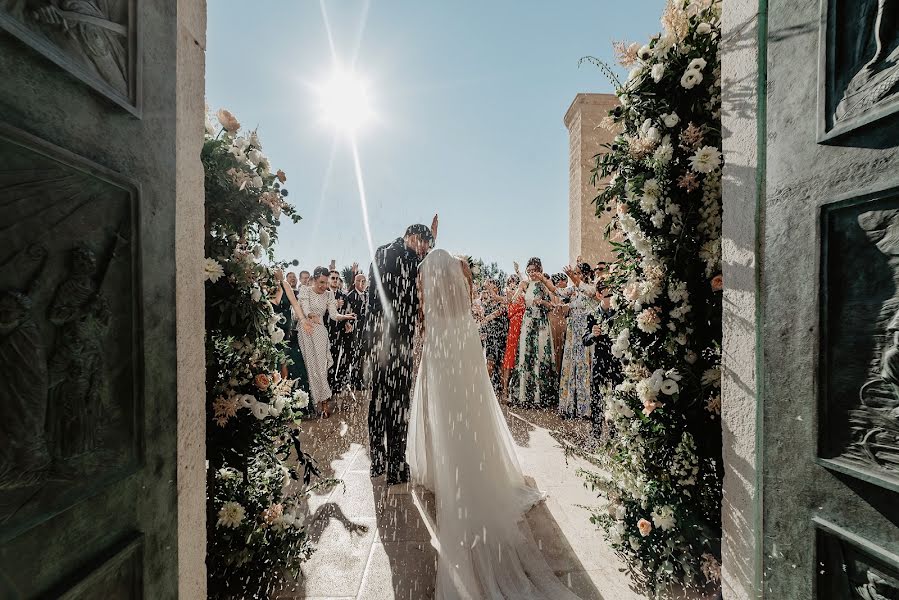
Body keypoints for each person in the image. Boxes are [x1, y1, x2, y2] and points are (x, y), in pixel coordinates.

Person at [406, 249, 582, 600]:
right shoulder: (464, 315)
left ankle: (451, 470)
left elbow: (423, 321)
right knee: (469, 419)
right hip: (460, 366)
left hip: (440, 361)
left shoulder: (434, 311)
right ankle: (472, 464)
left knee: (443, 419)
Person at [366, 215, 437, 486]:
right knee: (396, 402)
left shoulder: (384, 252)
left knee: (381, 400)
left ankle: (379, 460)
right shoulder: (404, 257)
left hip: (381, 340)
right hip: (395, 341)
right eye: (425, 246)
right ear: (414, 238)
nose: (425, 252)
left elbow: (371, 298)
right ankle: (395, 463)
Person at [298, 267, 356, 418]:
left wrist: (346, 316)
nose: (324, 286)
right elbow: (304, 308)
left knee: (322, 368)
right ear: (314, 279)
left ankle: (324, 403)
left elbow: (333, 314)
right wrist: (311, 315)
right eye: (321, 282)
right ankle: (310, 403)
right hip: (306, 330)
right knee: (310, 366)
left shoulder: (329, 294)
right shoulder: (305, 290)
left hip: (320, 333)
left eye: (326, 282)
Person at [510, 258, 558, 408]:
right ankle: (524, 396)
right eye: (529, 270)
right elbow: (513, 300)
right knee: (526, 355)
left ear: (539, 270)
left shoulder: (544, 284)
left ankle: (540, 397)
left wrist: (542, 302)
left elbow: (554, 304)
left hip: (542, 324)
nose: (531, 273)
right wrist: (519, 288)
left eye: (533, 270)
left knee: (540, 356)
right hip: (528, 323)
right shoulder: (525, 284)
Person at [558, 263, 598, 419]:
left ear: (586, 274)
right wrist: (542, 280)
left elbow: (586, 291)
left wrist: (573, 277)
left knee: (583, 367)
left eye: (578, 273)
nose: (575, 275)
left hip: (585, 333)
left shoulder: (591, 288)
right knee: (571, 365)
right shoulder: (573, 290)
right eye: (575, 273)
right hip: (572, 332)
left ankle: (584, 408)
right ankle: (569, 406)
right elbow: (558, 291)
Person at [583, 285, 621, 437]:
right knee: (597, 399)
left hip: (616, 362)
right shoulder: (592, 314)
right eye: (608, 295)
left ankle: (615, 434)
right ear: (599, 295)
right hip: (599, 361)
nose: (612, 298)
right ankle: (596, 434)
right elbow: (585, 340)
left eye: (613, 294)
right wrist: (593, 335)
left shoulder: (619, 313)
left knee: (617, 398)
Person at [272, 270, 310, 394]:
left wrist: (303, 320)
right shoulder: (266, 286)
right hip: (271, 328)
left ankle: (286, 393)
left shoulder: (285, 285)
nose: (278, 272)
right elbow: (275, 302)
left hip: (286, 330)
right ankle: (274, 392)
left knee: (286, 361)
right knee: (274, 361)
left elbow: (295, 304)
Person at [479, 278, 508, 389]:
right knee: (490, 364)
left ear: (498, 288)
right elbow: (483, 319)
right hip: (491, 336)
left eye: (494, 287)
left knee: (501, 365)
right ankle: (484, 389)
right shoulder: (487, 303)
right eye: (491, 287)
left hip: (502, 336)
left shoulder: (504, 300)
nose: (492, 290)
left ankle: (502, 390)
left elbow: (499, 312)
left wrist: (487, 318)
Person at [501, 271, 524, 402]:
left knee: (520, 357)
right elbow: (510, 299)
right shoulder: (509, 292)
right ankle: (505, 391)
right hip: (514, 326)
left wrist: (519, 274)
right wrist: (517, 287)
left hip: (524, 324)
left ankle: (518, 391)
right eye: (510, 281)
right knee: (510, 356)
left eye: (514, 280)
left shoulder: (523, 292)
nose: (513, 283)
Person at [326, 269, 351, 393]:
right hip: (325, 331)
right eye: (333, 278)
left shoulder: (343, 295)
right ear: (328, 279)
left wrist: (347, 323)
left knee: (335, 357)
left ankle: (331, 383)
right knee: (324, 359)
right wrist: (334, 305)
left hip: (338, 332)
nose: (335, 280)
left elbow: (345, 312)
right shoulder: (323, 294)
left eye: (337, 278)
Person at [345, 272, 368, 392]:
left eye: (363, 281)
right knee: (355, 355)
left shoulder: (368, 295)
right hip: (355, 330)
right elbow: (347, 313)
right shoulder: (350, 296)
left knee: (363, 356)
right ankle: (354, 380)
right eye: (359, 281)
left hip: (366, 330)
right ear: (354, 282)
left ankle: (361, 378)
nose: (361, 283)